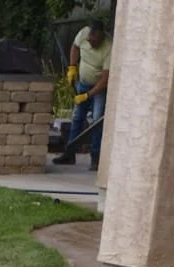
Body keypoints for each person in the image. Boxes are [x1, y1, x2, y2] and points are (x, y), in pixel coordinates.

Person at [65, 18, 111, 169]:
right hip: (82, 83)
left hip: (99, 88)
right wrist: (72, 67)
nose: (91, 43)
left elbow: (105, 79)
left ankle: (95, 158)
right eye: (89, 40)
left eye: (94, 40)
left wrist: (87, 95)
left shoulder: (109, 47)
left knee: (97, 121)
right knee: (77, 117)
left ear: (101, 36)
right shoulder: (84, 34)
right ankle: (69, 154)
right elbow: (75, 47)